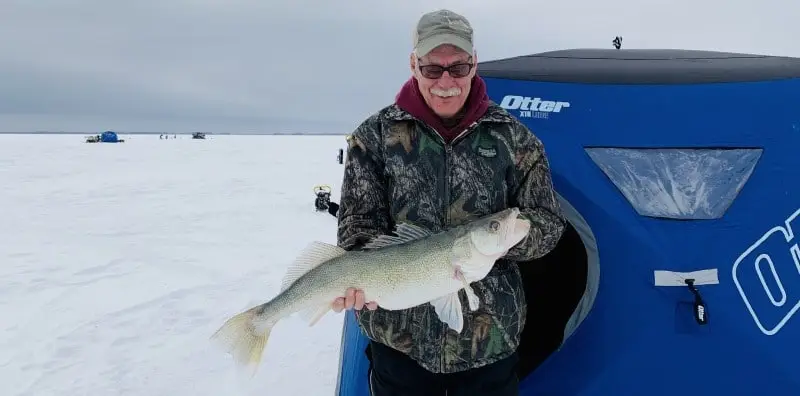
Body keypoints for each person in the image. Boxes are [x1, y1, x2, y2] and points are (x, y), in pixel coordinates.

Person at [333, 8, 566, 396]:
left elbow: (548, 222)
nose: (446, 82)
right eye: (432, 68)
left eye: (458, 67)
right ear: (414, 65)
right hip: (398, 341)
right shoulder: (374, 137)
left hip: (489, 342)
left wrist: (509, 237)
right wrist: (359, 280)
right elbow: (357, 227)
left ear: (474, 64)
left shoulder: (515, 138)